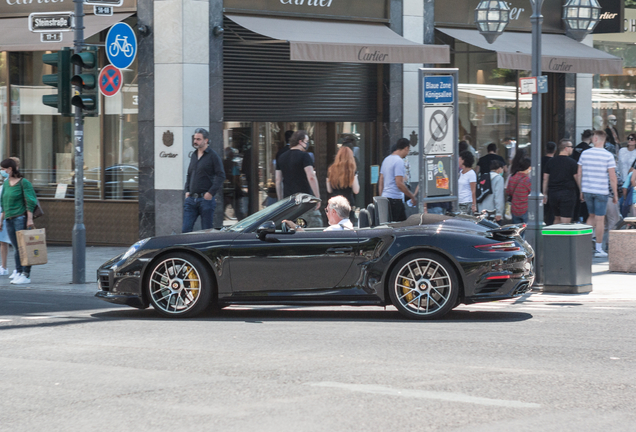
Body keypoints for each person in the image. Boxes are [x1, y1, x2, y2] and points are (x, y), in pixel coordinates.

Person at [577, 130, 618, 258]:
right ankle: (599, 248)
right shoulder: (608, 156)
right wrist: (615, 194)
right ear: (604, 140)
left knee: (591, 217)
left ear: (595, 139)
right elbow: (612, 177)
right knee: (600, 220)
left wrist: (581, 190)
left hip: (588, 189)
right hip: (601, 190)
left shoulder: (585, 153)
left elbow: (579, 173)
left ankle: (582, 245)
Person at [0, 158, 37, 284]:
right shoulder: (6, 184)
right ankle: (19, 271)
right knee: (16, 247)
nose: (2, 171)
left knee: (23, 247)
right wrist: (1, 220)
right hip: (9, 218)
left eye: (3, 169)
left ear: (10, 169)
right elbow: (3, 203)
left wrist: (30, 219)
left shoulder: (23, 182)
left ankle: (25, 274)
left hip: (20, 217)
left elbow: (31, 201)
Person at [275, 130, 322, 227]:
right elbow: (311, 177)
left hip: (289, 201)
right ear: (300, 142)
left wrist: (280, 200)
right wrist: (317, 197)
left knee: (291, 228)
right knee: (313, 227)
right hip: (304, 200)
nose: (307, 144)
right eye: (307, 141)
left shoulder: (281, 157)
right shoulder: (305, 156)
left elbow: (278, 180)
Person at [183, 128, 226, 233]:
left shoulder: (213, 155)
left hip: (205, 200)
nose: (195, 141)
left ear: (206, 140)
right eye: (194, 139)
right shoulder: (193, 155)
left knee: (206, 231)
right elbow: (189, 174)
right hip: (191, 199)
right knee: (185, 230)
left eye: (198, 139)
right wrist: (187, 191)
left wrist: (210, 193)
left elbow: (221, 175)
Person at [378, 138, 418, 222]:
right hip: (395, 199)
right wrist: (412, 196)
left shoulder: (386, 159)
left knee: (392, 225)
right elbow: (399, 183)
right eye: (408, 150)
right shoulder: (399, 161)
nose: (408, 153)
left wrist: (381, 196)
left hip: (386, 198)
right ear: (406, 148)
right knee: (399, 227)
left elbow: (381, 180)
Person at [543, 139, 578, 224]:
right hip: (567, 193)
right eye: (571, 147)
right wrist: (581, 190)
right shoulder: (572, 162)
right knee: (565, 221)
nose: (572, 149)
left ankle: (555, 236)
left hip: (553, 194)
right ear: (566, 148)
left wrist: (544, 193)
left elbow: (545, 178)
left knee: (557, 218)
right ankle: (564, 237)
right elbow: (577, 177)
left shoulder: (551, 161)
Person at [284, 196, 353, 232]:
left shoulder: (333, 230)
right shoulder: (350, 226)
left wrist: (295, 226)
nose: (326, 214)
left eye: (327, 210)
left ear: (333, 212)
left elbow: (311, 241)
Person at [326, 146, 359, 220]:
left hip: (334, 203)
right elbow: (356, 190)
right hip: (348, 203)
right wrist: (355, 176)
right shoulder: (352, 171)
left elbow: (329, 190)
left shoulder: (331, 170)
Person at [506, 157, 532, 225]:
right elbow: (532, 193)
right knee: (526, 231)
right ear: (528, 168)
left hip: (514, 208)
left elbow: (508, 192)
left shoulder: (512, 177)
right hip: (525, 208)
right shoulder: (527, 180)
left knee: (516, 230)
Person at [542, 141, 557, 225]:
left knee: (541, 213)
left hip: (539, 189)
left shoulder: (539, 161)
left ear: (545, 149)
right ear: (555, 150)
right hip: (551, 190)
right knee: (551, 214)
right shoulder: (555, 162)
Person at [458, 150, 477, 215]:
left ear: (463, 160)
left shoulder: (471, 173)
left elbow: (473, 190)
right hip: (459, 201)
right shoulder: (460, 172)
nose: (458, 160)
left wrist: (473, 204)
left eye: (459, 159)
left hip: (466, 202)